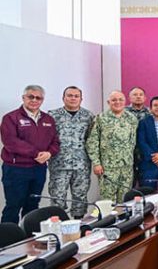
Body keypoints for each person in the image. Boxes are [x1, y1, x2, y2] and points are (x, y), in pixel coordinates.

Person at [1, 85, 60, 223]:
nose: (34, 100)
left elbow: (55, 141)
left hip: (38, 169)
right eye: (31, 97)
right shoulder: (11, 118)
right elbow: (11, 142)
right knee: (14, 205)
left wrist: (49, 153)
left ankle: (28, 235)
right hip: (16, 169)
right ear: (23, 98)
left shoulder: (48, 119)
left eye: (38, 98)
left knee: (33, 206)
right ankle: (8, 236)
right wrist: (36, 153)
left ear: (42, 100)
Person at [47, 86, 94, 218]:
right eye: (69, 95)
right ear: (63, 98)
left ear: (81, 99)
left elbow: (91, 139)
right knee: (57, 197)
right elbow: (47, 138)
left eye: (76, 96)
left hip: (82, 164)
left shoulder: (88, 116)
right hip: (59, 164)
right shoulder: (52, 115)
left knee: (80, 196)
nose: (73, 98)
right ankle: (59, 225)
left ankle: (78, 224)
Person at [86, 91, 138, 202]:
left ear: (125, 101)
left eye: (120, 99)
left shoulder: (131, 119)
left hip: (126, 167)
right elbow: (92, 142)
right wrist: (96, 163)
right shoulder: (100, 118)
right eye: (114, 100)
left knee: (125, 200)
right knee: (108, 201)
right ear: (108, 102)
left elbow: (133, 141)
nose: (117, 102)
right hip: (107, 168)